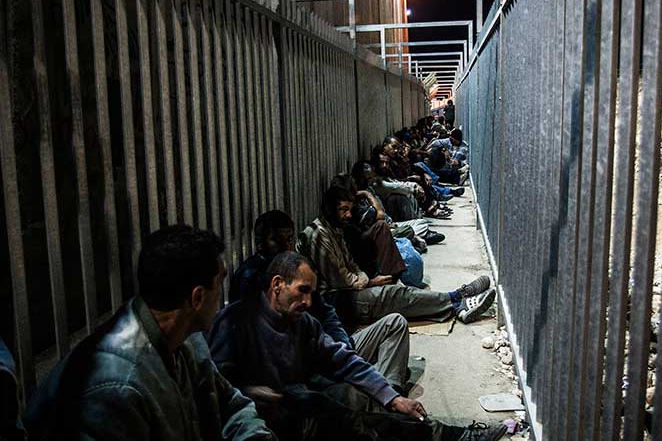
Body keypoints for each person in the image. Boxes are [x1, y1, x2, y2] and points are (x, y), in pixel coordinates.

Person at [209, 252, 507, 441]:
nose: (309, 301)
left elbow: (342, 358)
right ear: (276, 285)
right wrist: (254, 393)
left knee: (371, 420)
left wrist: (392, 398)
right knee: (355, 419)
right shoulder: (236, 321)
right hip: (267, 424)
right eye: (302, 291)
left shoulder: (302, 322)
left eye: (311, 293)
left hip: (300, 410)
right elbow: (218, 388)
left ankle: (450, 434)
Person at [24, 226, 273, 441]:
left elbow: (229, 404)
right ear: (197, 297)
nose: (221, 294)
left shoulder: (187, 338)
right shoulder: (117, 386)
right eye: (219, 283)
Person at [231, 210, 411, 393]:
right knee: (347, 395)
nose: (286, 246)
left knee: (395, 323)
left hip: (330, 351)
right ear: (260, 244)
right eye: (277, 240)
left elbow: (327, 313)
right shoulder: (250, 278)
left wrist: (343, 346)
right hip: (304, 369)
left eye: (290, 239)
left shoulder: (298, 269)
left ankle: (390, 390)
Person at [297, 185, 496, 327]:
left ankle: (456, 301)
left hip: (349, 289)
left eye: (349, 209)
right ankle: (457, 300)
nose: (348, 215)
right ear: (330, 209)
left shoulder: (335, 229)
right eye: (343, 210)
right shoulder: (318, 235)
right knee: (393, 296)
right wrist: (369, 282)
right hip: (335, 300)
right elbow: (341, 280)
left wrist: (364, 279)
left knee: (397, 295)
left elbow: (351, 265)